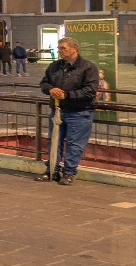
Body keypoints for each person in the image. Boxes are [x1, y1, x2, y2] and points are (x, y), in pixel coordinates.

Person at [36, 36, 101, 186]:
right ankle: (52, 170)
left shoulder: (88, 68)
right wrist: (50, 89)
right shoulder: (55, 66)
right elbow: (44, 83)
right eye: (59, 48)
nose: (60, 51)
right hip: (58, 111)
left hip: (80, 112)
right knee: (54, 142)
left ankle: (69, 172)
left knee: (75, 144)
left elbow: (90, 91)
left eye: (63, 48)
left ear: (74, 49)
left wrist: (67, 95)